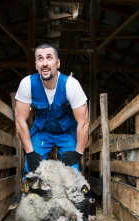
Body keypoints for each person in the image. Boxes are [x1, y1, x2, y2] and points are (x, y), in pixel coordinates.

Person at [15, 43, 89, 174]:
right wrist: (30, 152)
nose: (44, 63)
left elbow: (83, 122)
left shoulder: (71, 85)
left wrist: (78, 153)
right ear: (36, 64)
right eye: (40, 58)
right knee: (29, 169)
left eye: (49, 58)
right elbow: (20, 120)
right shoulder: (27, 84)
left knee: (72, 172)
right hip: (42, 131)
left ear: (58, 63)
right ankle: (25, 193)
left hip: (66, 132)